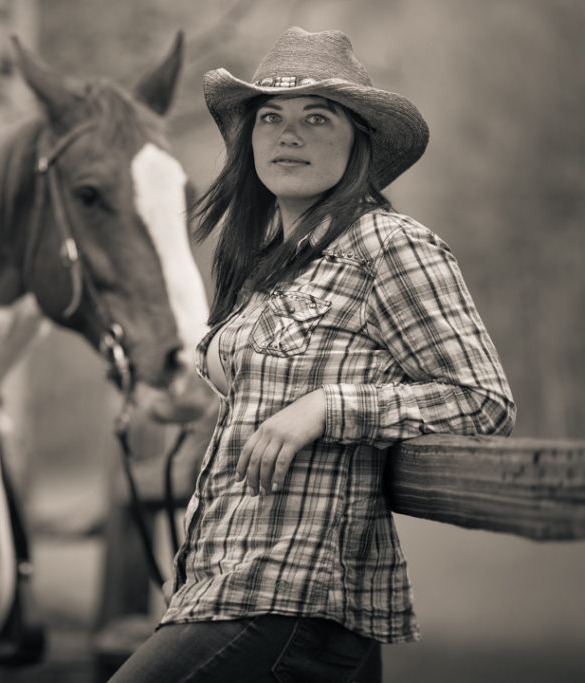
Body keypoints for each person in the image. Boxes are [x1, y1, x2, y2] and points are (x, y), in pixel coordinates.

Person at [110, 26, 515, 682]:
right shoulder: (261, 267)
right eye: (269, 116)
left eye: (315, 117)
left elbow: (482, 400)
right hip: (218, 585)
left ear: (359, 139)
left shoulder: (389, 245)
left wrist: (328, 407)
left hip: (290, 599)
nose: (286, 134)